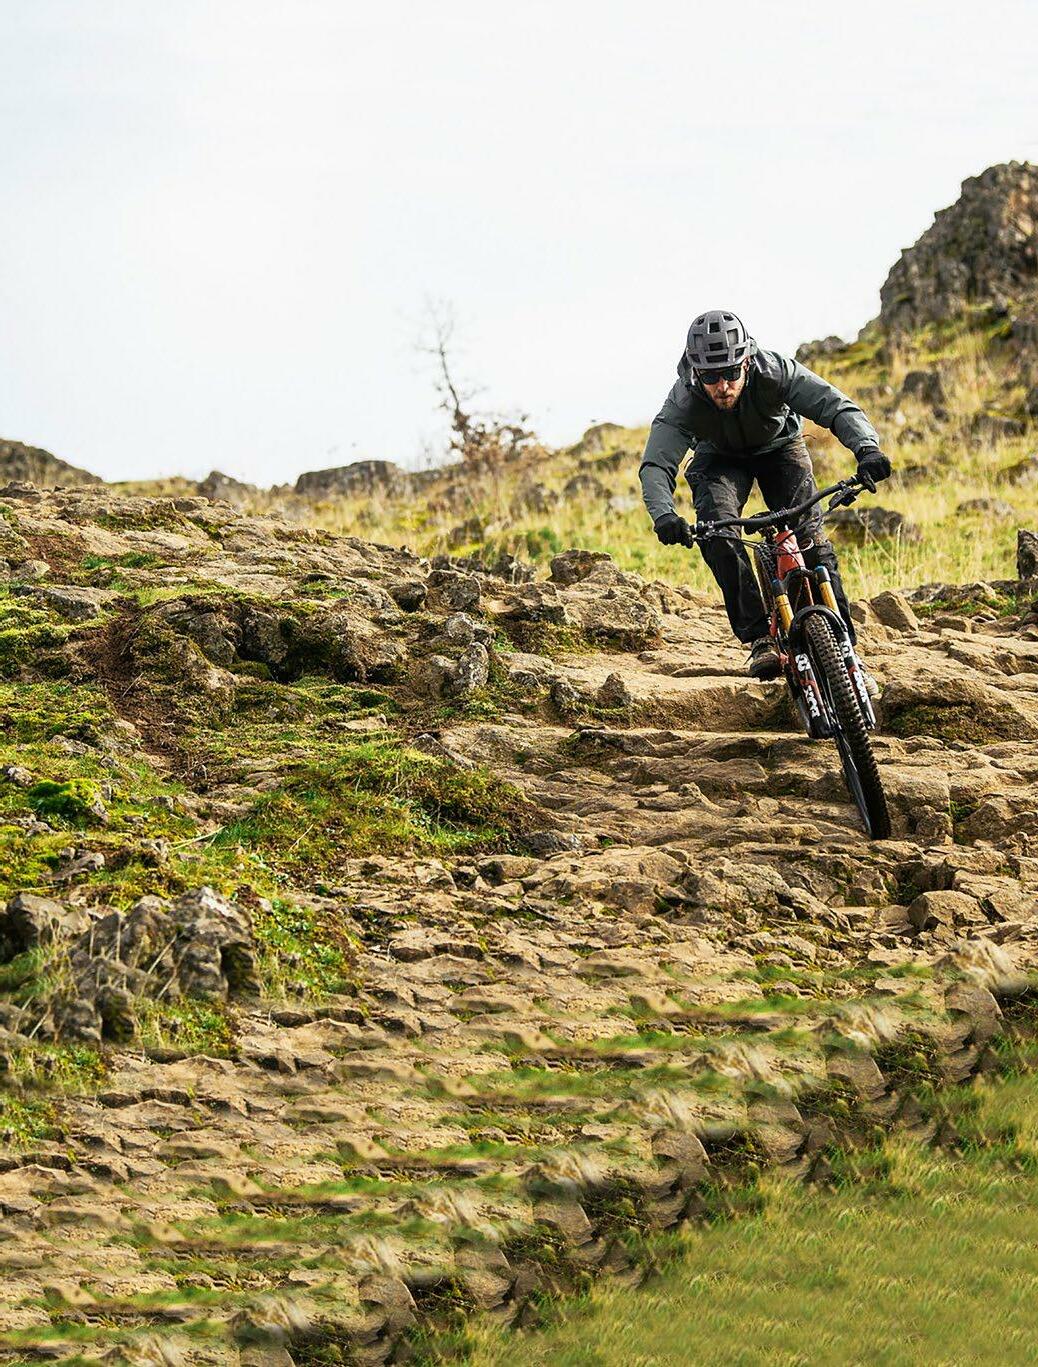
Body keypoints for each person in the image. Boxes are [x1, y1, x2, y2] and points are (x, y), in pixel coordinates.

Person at [638, 309, 892, 681]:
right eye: (710, 376)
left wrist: (867, 448)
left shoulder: (775, 371)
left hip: (781, 448)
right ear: (695, 372)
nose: (722, 385)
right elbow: (656, 464)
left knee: (811, 541)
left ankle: (845, 651)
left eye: (730, 372)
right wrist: (664, 515)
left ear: (746, 361)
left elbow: (834, 406)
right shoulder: (683, 400)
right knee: (717, 534)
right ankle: (759, 638)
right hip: (718, 459)